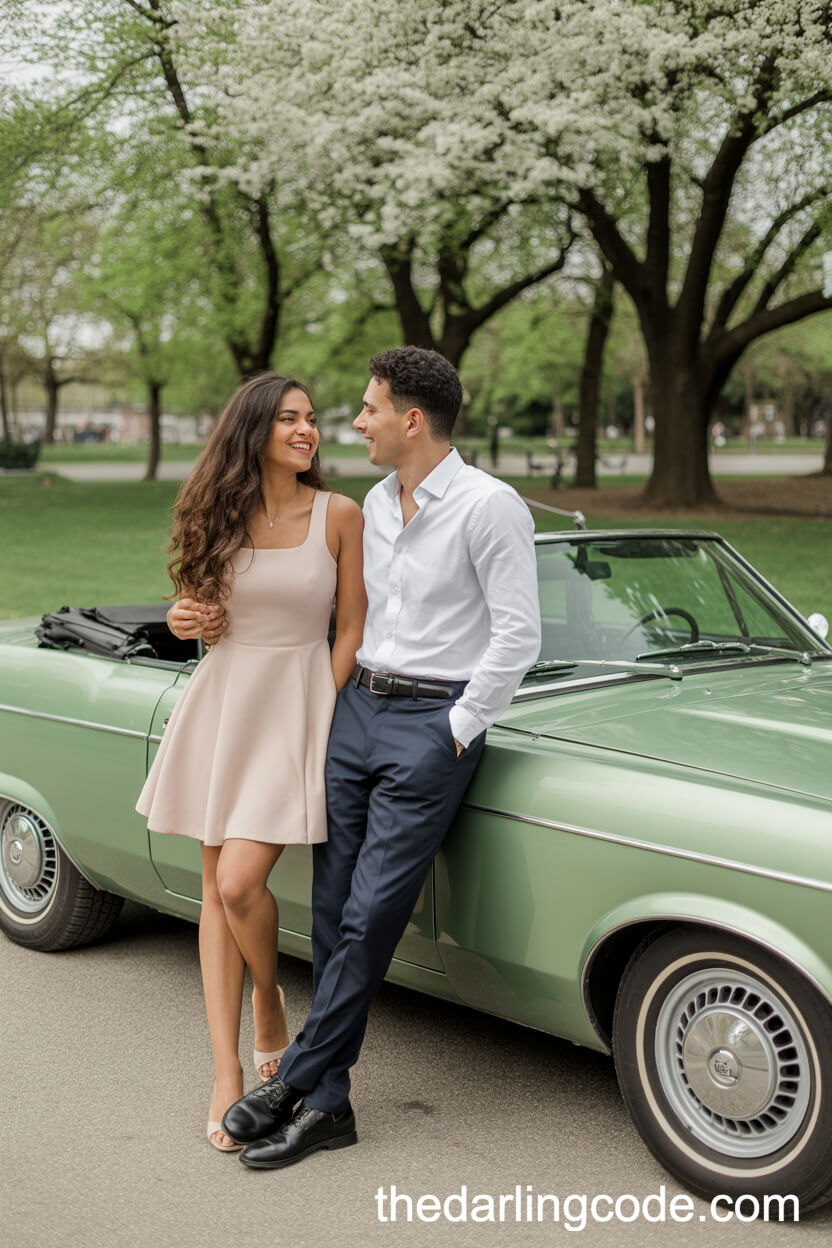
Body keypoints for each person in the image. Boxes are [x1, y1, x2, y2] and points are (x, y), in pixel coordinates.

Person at [221, 346, 541, 1169]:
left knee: (371, 917)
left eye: (368, 409)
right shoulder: (375, 499)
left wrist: (458, 728)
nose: (353, 423)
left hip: (432, 726)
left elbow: (518, 635)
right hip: (357, 711)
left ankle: (292, 1079)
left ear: (412, 419)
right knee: (331, 910)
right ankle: (329, 1106)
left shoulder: (489, 506)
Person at [135, 373, 365, 1152]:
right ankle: (226, 1070)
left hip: (297, 706)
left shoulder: (340, 514)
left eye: (312, 419)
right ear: (254, 429)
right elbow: (198, 614)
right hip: (225, 702)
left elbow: (350, 631)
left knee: (240, 883)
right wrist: (179, 617)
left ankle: (270, 998)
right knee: (213, 887)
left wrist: (321, 714)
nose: (308, 430)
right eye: (290, 419)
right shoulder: (217, 511)